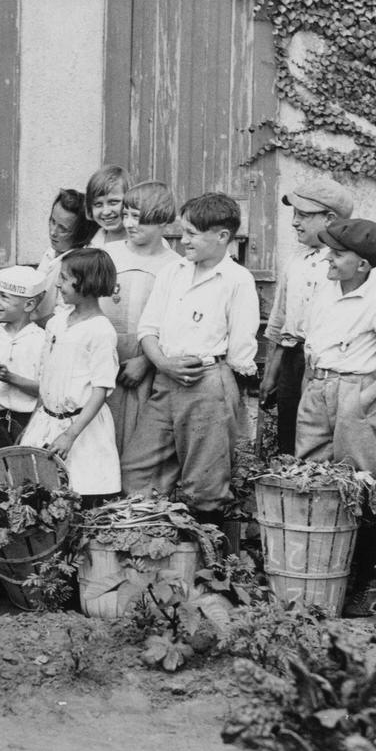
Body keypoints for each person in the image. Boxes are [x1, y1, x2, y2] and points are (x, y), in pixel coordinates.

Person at [130, 193, 259, 518]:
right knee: (137, 473)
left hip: (207, 384)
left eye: (191, 234)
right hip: (165, 382)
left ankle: (207, 564)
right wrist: (162, 363)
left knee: (206, 487)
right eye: (183, 231)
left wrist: (221, 389)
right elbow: (148, 328)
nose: (182, 239)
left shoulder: (237, 281)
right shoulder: (173, 273)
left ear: (222, 236)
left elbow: (242, 351)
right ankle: (152, 553)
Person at [296, 218, 376, 617]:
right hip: (318, 389)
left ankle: (362, 584)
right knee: (310, 479)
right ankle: (315, 576)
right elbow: (312, 345)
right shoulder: (323, 291)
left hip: (356, 392)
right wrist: (311, 389)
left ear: (363, 266)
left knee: (363, 485)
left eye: (338, 255)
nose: (329, 260)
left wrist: (362, 402)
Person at [259, 178, 355, 455]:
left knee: (322, 438)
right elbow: (280, 321)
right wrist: (271, 373)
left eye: (303, 215)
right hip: (293, 358)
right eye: (294, 214)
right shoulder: (295, 259)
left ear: (330, 218)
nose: (294, 222)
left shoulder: (347, 264)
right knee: (290, 433)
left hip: (329, 364)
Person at [20, 248, 121, 504]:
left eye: (64, 278)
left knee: (80, 496)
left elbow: (100, 389)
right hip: (47, 423)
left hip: (81, 429)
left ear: (86, 282)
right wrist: (34, 423)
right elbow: (47, 382)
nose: (58, 283)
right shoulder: (56, 323)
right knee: (40, 497)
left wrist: (70, 435)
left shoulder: (100, 331)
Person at [103, 180, 186, 483]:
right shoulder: (107, 253)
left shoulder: (176, 265)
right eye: (126, 215)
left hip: (144, 363)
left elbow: (175, 326)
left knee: (137, 440)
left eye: (138, 218)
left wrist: (146, 361)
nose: (127, 224)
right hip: (105, 356)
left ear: (162, 220)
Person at [0, 266, 48, 447]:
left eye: (4, 297)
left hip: (27, 423)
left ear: (29, 305)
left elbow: (47, 390)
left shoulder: (41, 341)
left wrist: (11, 378)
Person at [34, 188, 98, 322]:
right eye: (52, 221)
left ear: (80, 233)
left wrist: (25, 323)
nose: (53, 232)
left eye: (63, 229)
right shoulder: (52, 250)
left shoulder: (80, 264)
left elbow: (64, 319)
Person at [84, 165, 131, 248]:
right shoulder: (92, 244)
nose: (106, 212)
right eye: (98, 204)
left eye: (113, 202)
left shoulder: (145, 244)